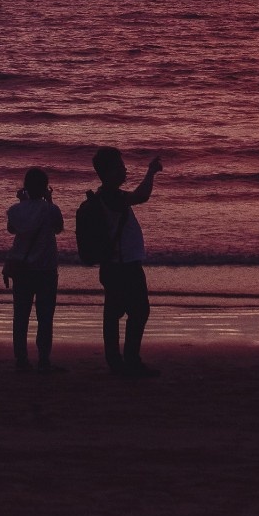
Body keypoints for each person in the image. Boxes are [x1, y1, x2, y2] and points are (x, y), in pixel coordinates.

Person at [90, 147, 162, 377]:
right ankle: (127, 360)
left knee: (115, 311)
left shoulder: (106, 195)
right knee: (138, 311)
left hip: (115, 264)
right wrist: (151, 172)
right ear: (109, 172)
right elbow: (142, 196)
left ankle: (118, 361)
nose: (125, 169)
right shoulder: (112, 197)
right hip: (123, 265)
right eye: (120, 166)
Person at [4, 166, 65, 374]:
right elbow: (58, 228)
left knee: (21, 315)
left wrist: (23, 202)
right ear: (45, 188)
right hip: (46, 268)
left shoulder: (15, 210)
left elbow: (12, 229)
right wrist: (49, 201)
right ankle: (43, 360)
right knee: (45, 316)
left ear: (26, 187)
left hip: (22, 268)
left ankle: (21, 359)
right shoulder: (51, 209)